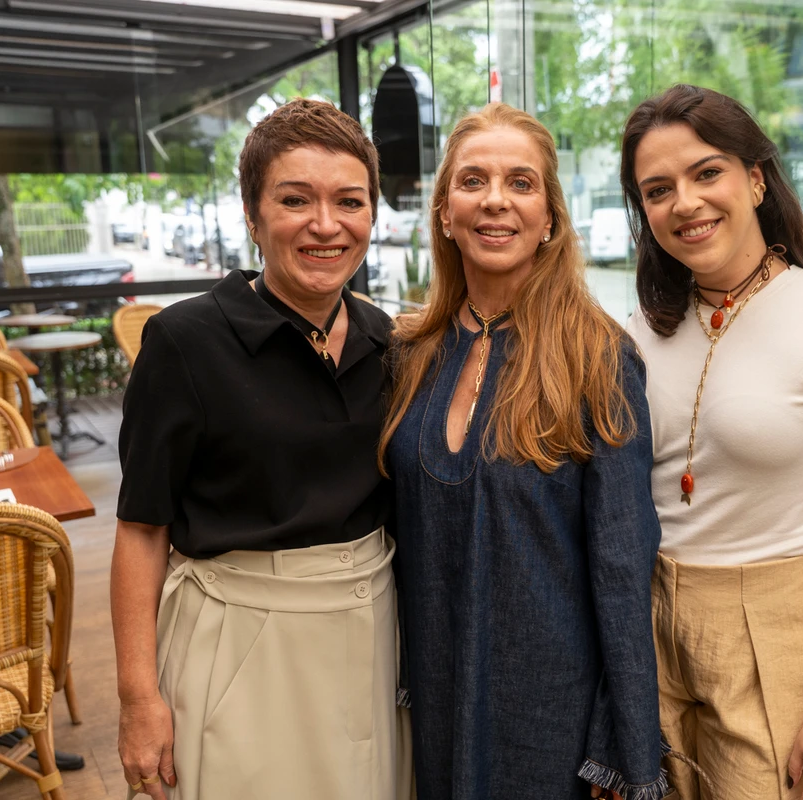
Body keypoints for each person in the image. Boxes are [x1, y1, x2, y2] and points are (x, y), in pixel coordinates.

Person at [620, 84, 803, 800]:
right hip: (648, 628)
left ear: (755, 179)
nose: (684, 202)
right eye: (657, 190)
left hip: (773, 624)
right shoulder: (637, 332)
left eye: (706, 172)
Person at [112, 98, 408, 800]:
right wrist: (137, 699)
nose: (326, 224)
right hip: (240, 636)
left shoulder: (386, 341)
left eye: (349, 201)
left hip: (371, 628)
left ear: (372, 216)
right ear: (252, 215)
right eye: (295, 199)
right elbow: (141, 528)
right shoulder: (185, 342)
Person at [379, 102, 667, 800]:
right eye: (473, 181)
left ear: (551, 218)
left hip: (552, 724)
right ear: (445, 211)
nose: (495, 201)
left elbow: (624, 568)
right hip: (439, 703)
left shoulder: (598, 358)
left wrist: (620, 746)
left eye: (520, 182)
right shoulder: (412, 352)